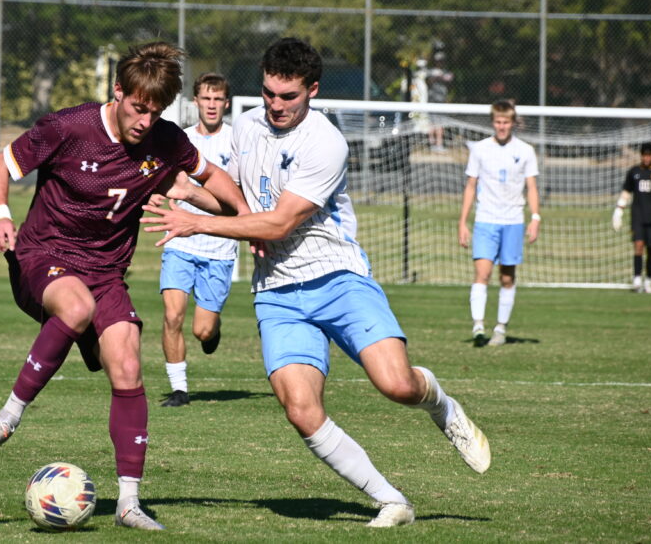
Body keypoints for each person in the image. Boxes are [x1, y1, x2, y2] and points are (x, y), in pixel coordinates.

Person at [142, 37, 490, 529]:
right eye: (268, 93)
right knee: (301, 410)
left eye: (289, 97)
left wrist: (196, 222)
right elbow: (238, 201)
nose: (276, 105)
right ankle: (392, 500)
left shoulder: (326, 142)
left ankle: (439, 401)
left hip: (337, 278)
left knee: (396, 384)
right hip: (278, 294)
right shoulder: (246, 125)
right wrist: (188, 191)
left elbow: (279, 223)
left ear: (313, 90)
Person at [0, 41, 247, 531]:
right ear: (118, 92)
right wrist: (0, 216)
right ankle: (7, 417)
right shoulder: (68, 127)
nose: (145, 120)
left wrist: (238, 217)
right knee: (74, 308)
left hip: (106, 270)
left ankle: (128, 504)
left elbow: (220, 189)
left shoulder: (166, 142)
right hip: (43, 254)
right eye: (139, 107)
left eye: (156, 111)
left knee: (128, 361)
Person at [156, 73, 237, 407]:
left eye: (218, 99)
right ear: (196, 102)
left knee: (202, 330)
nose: (212, 105)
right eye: (206, 98)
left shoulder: (237, 141)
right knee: (172, 315)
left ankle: (212, 331)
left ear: (226, 103)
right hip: (180, 240)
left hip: (219, 245)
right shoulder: (180, 139)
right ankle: (179, 389)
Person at [458, 99, 540, 347]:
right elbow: (470, 186)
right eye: (497, 122)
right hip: (486, 220)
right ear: (492, 122)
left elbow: (532, 187)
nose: (501, 126)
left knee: (507, 278)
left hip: (513, 221)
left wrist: (535, 217)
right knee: (482, 273)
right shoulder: (480, 149)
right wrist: (463, 222)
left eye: (506, 122)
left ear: (513, 123)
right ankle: (478, 326)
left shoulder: (525, 150)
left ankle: (501, 329)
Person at [612, 142, 651, 293]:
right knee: (638, 245)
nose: (646, 158)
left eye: (649, 155)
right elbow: (627, 192)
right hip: (638, 216)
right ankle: (637, 280)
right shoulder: (634, 172)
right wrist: (618, 211)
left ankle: (649, 281)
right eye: (644, 155)